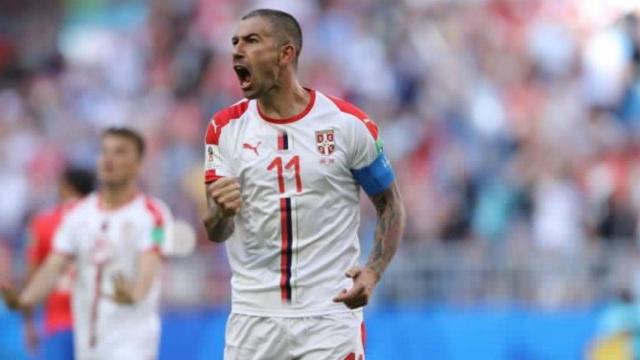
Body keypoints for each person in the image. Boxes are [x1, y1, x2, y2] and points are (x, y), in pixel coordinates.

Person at [203, 9, 405, 360]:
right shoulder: (223, 130)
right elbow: (217, 231)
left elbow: (390, 204)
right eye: (234, 42)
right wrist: (218, 213)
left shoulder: (347, 125)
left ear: (286, 53)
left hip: (328, 317)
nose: (237, 50)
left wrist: (373, 271)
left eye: (251, 41)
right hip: (254, 320)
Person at [1, 127, 174, 359]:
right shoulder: (78, 216)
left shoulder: (154, 214)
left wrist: (134, 293)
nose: (109, 159)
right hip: (88, 344)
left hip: (131, 343)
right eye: (104, 152)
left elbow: (150, 262)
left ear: (139, 163)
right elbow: (53, 266)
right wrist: (26, 299)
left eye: (120, 152)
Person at [24, 166, 95, 359]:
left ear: (65, 187)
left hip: (58, 321)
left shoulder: (44, 222)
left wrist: (29, 323)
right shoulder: (102, 221)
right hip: (96, 324)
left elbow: (33, 275)